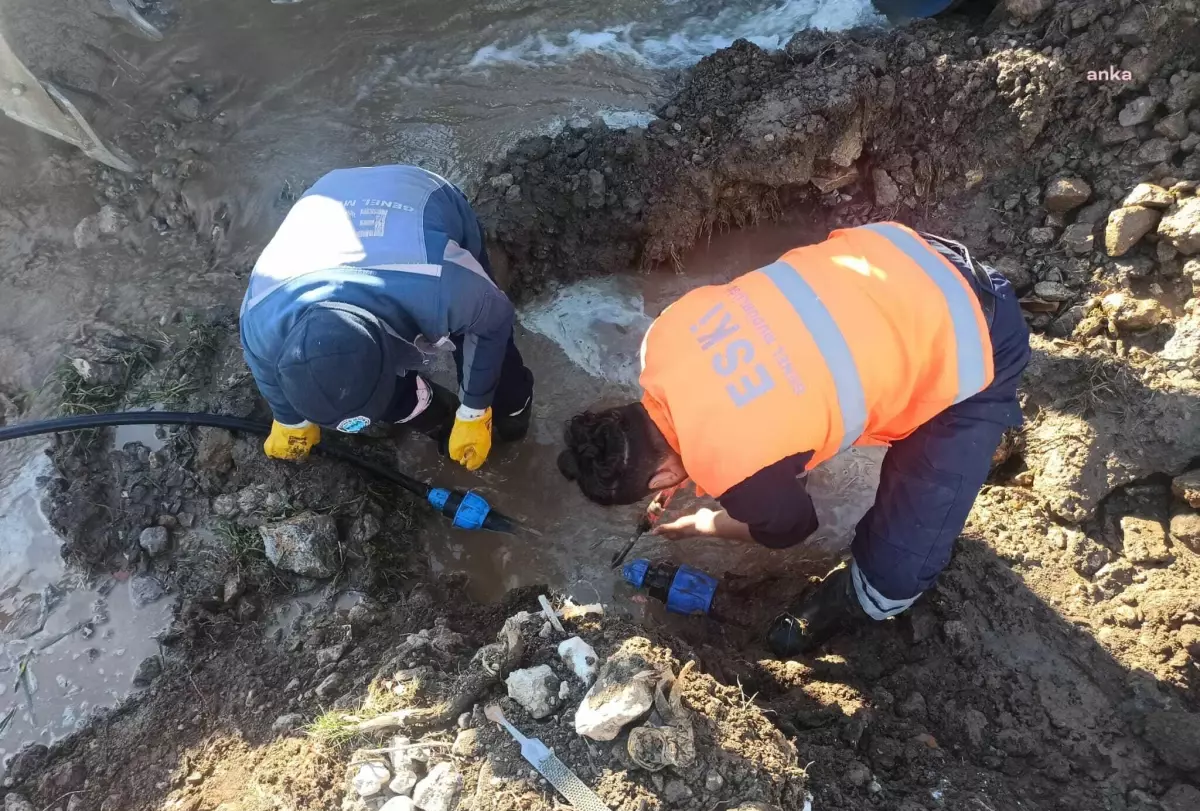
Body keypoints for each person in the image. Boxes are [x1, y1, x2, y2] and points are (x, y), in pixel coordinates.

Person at [557, 222, 1030, 655]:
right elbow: (733, 390)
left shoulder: (740, 474)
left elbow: (794, 529)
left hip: (979, 331)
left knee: (895, 577)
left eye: (659, 483)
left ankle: (860, 601)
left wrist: (707, 522)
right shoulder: (662, 337)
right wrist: (696, 460)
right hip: (903, 252)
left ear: (661, 475)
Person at [239, 164, 533, 470]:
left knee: (500, 382)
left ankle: (514, 416)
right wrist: (290, 420)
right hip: (326, 199)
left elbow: (493, 321)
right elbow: (265, 372)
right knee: (374, 395)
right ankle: (441, 419)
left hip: (420, 195)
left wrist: (476, 410)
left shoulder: (441, 289)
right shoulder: (260, 327)